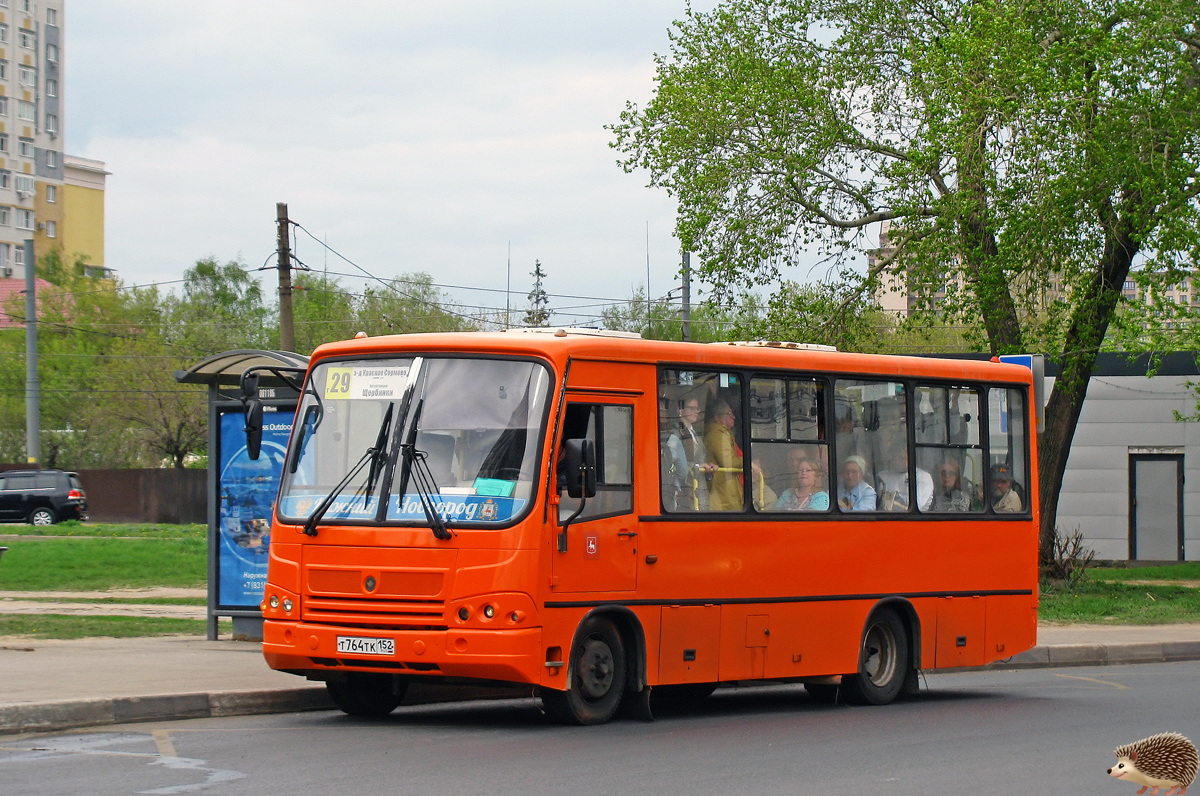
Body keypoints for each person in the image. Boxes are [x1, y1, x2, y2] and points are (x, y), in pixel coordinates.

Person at [662, 397, 714, 511]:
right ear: (680, 410)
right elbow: (672, 462)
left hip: (699, 486)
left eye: (697, 408)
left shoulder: (694, 433)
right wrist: (696, 467)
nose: (695, 411)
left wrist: (708, 469)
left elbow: (700, 458)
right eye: (691, 408)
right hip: (685, 489)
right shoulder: (676, 433)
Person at [705, 399, 744, 511]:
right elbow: (728, 462)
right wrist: (748, 462)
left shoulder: (725, 434)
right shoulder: (718, 434)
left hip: (726, 490)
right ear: (717, 418)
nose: (734, 417)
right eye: (729, 413)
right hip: (723, 493)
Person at [876, 435, 933, 511]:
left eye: (907, 457)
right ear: (892, 456)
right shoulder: (882, 476)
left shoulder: (922, 477)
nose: (905, 461)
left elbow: (916, 506)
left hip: (913, 520)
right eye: (901, 458)